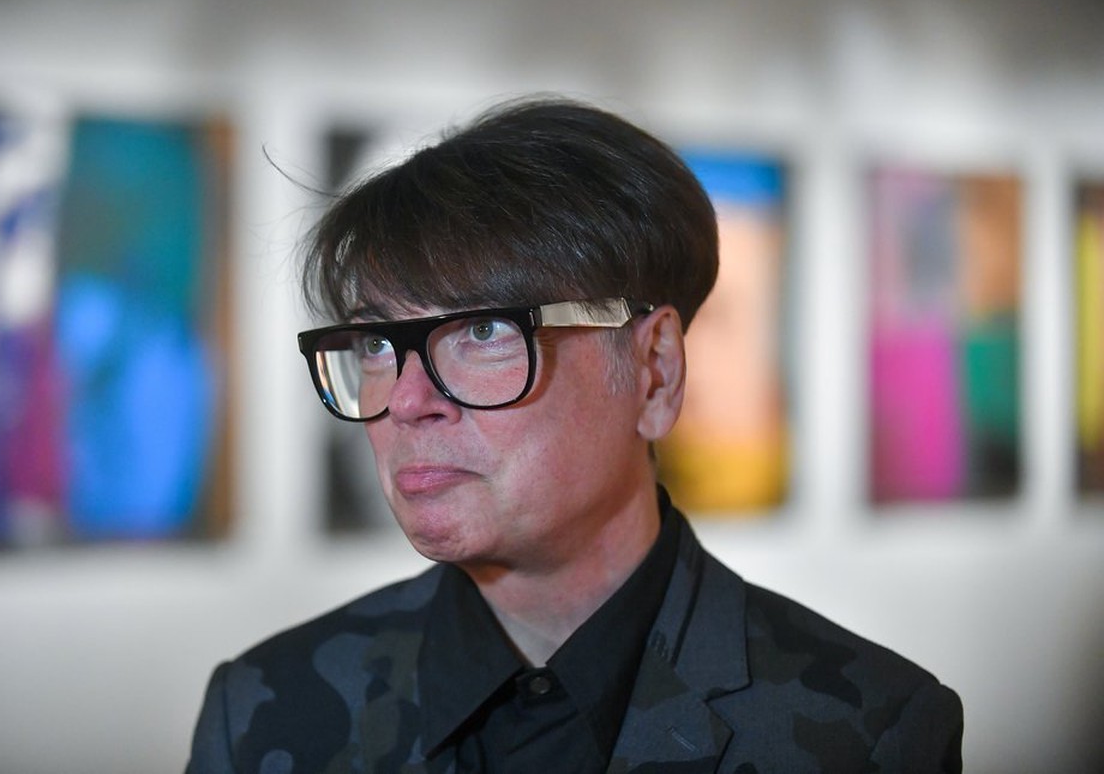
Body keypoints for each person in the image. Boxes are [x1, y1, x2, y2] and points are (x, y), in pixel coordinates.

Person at [187, 96, 963, 773]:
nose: (409, 400)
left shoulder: (862, 731)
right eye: (375, 343)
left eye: (484, 330)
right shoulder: (271, 712)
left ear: (654, 371)